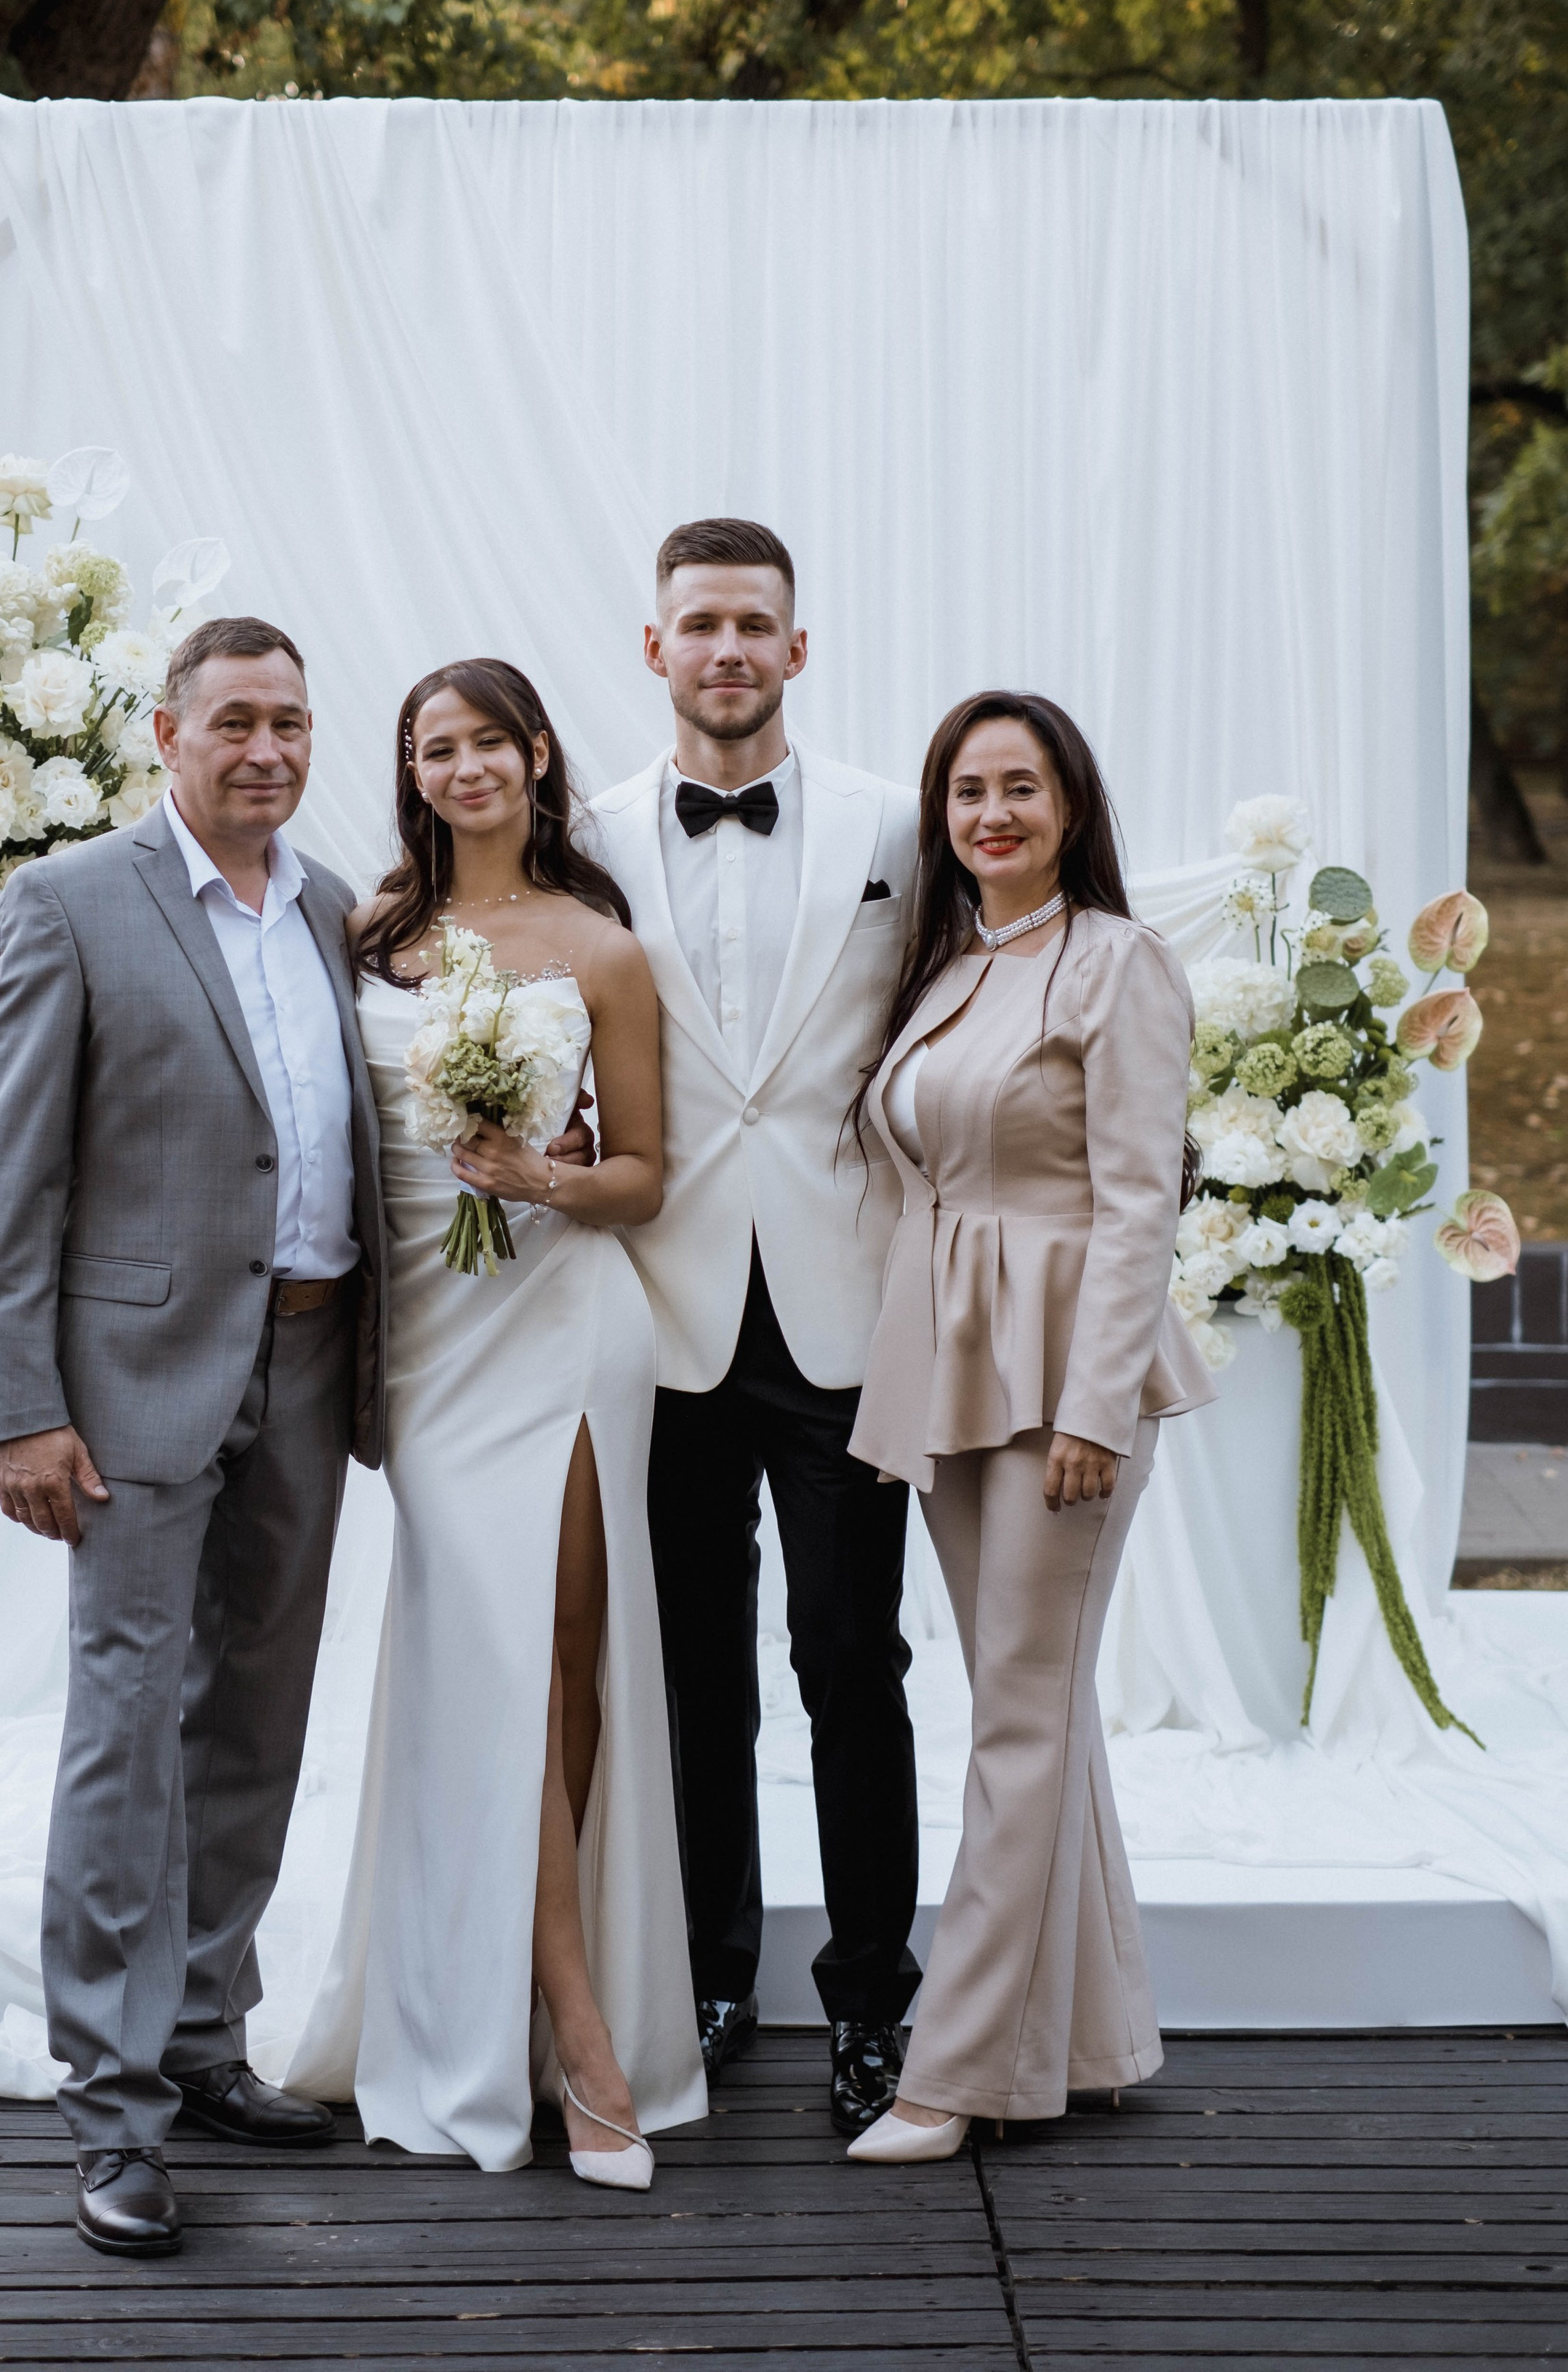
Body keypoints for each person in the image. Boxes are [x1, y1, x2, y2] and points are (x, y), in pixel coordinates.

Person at [0, 616, 389, 2258]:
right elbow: (8, 1179)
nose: (268, 749)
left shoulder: (338, 910)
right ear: (166, 732)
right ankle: (114, 2107)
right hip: (131, 1385)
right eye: (236, 722)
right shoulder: (70, 903)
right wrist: (23, 1408)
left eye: (292, 722)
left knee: (255, 1722)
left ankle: (206, 2038)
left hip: (311, 1361)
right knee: (126, 1734)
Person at [286, 659, 704, 2180]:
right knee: (486, 1656)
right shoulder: (363, 936)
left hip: (565, 1327)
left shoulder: (601, 947)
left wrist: (539, 1177)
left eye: (486, 743)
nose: (463, 768)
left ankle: (549, 2006)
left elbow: (642, 1176)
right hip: (429, 1341)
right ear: (411, 772)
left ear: (535, 755)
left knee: (567, 1662)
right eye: (433, 748)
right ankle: (577, 2036)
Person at [841, 691, 1215, 2164]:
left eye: (1020, 787)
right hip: (952, 1363)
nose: (991, 814)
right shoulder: (945, 966)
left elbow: (1138, 1199)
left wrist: (1096, 1406)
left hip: (1066, 1374)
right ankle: (1090, 2037)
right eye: (967, 791)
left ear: (1069, 808)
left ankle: (953, 2071)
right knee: (1034, 1704)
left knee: (1018, 1711)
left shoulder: (1116, 962)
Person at [594, 521, 922, 2137]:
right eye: (699, 623)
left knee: (851, 1657)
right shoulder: (585, 836)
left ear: (798, 649)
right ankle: (708, 1977)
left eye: (754, 625)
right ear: (653, 647)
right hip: (657, 1310)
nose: (727, 648)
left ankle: (870, 2002)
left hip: (845, 1307)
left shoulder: (895, 825)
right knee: (690, 1668)